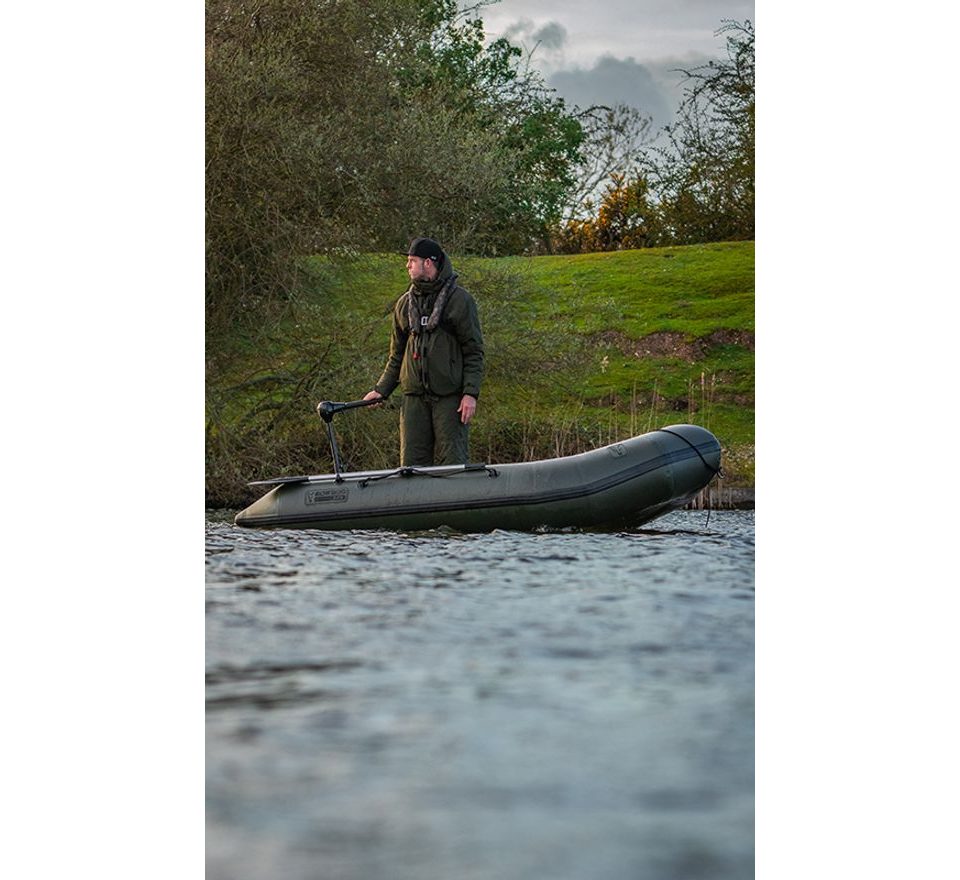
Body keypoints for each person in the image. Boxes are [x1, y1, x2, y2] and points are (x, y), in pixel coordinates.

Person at [364, 237, 484, 466]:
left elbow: (474, 351)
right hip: (413, 400)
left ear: (428, 263)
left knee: (454, 462)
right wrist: (381, 390)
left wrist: (470, 393)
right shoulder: (403, 305)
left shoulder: (461, 301)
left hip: (450, 398)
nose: (407, 266)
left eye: (412, 261)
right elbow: (396, 356)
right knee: (410, 466)